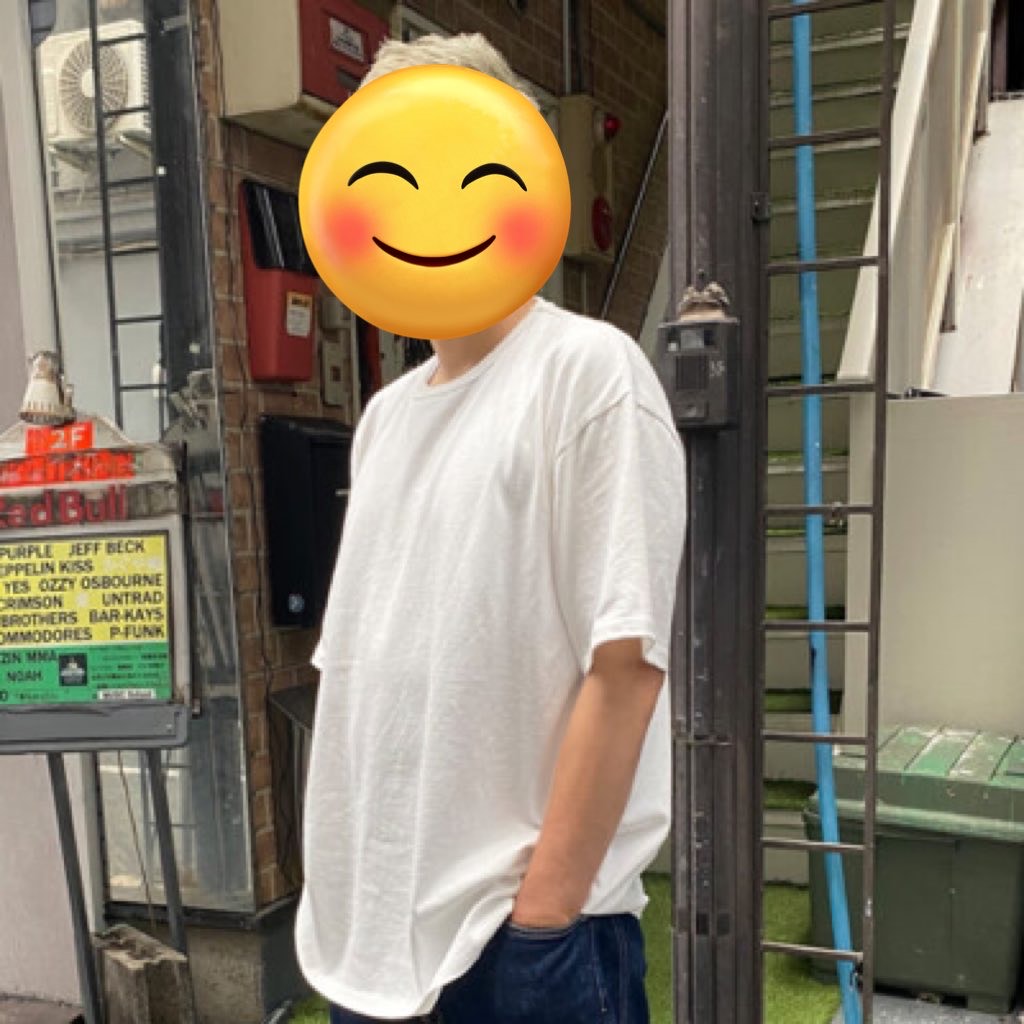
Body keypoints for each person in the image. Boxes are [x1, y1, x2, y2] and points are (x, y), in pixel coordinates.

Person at [295, 33, 688, 1024]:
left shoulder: (587, 373)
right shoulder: (386, 416)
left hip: (518, 945)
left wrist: (543, 917)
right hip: (372, 945)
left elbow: (625, 664)